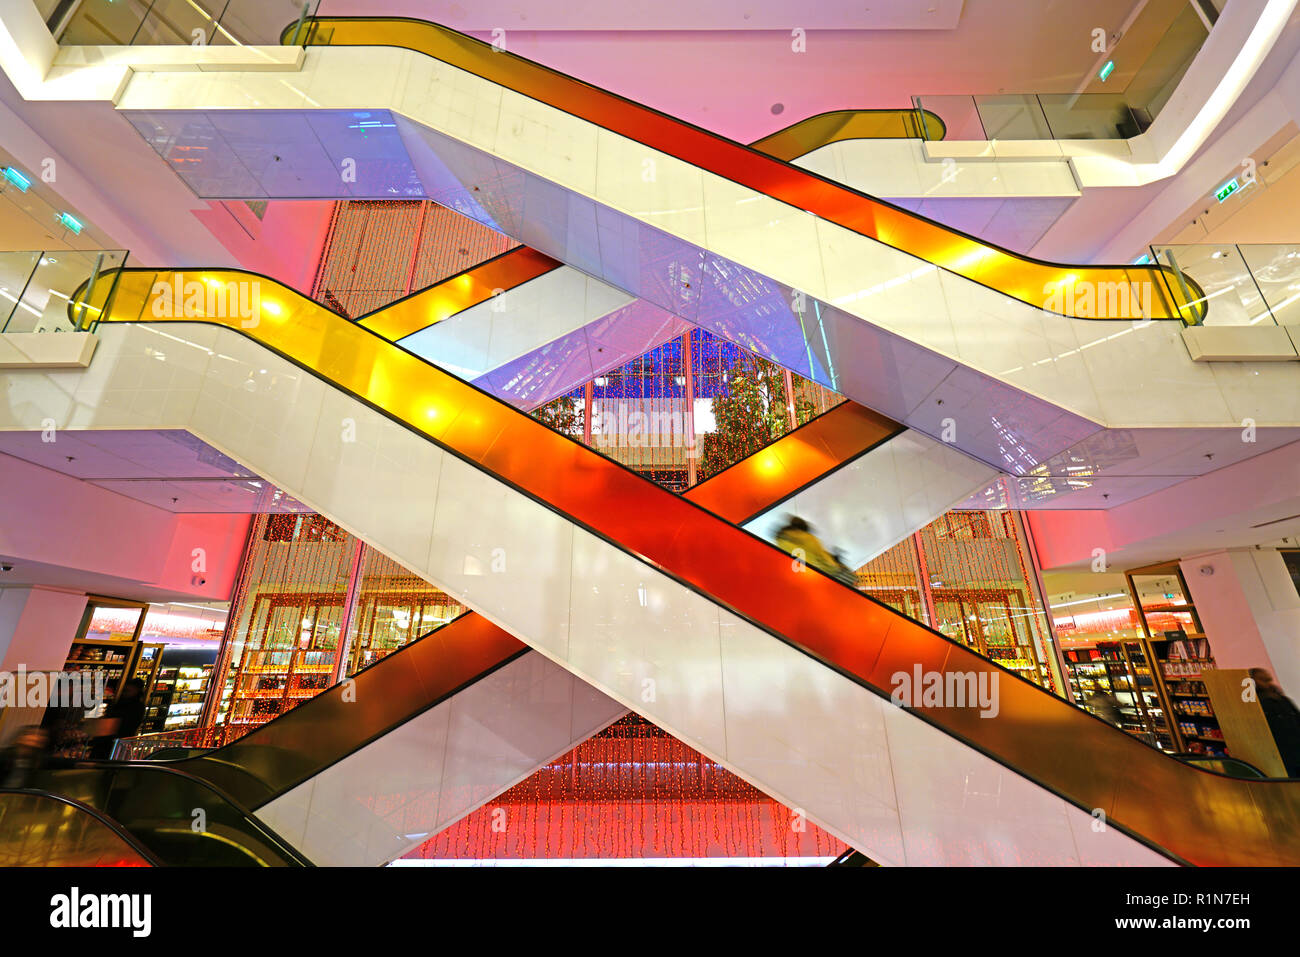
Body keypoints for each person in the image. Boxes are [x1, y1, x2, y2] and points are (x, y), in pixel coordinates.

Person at [774, 516, 856, 585]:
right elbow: (821, 557)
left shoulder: (780, 544)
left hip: (812, 580)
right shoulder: (807, 537)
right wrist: (836, 565)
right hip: (831, 573)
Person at [1250, 668, 1300, 777]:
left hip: (1294, 750)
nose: (1268, 683)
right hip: (1279, 754)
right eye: (1262, 679)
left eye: (1268, 679)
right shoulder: (1256, 704)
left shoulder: (1282, 700)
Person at [87, 678, 146, 760]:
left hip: (111, 745)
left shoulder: (131, 706)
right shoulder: (134, 705)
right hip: (116, 745)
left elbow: (119, 724)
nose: (125, 693)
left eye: (128, 691)